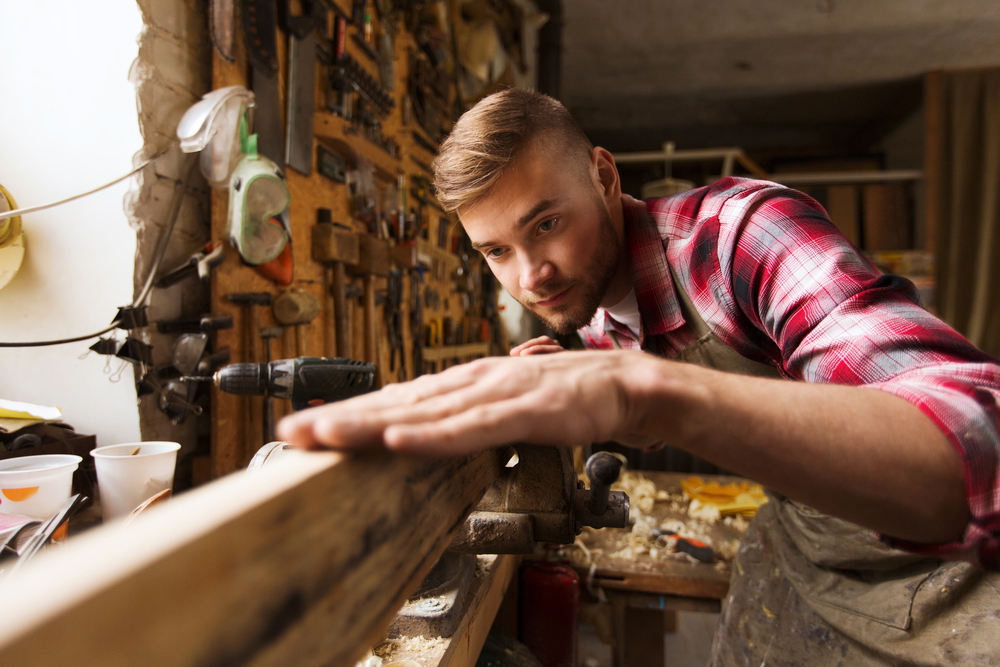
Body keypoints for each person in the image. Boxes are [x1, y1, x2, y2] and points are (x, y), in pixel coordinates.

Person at [278, 89, 1000, 664]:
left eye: (547, 223)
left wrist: (642, 393)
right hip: (812, 550)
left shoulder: (741, 236)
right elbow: (650, 403)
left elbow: (976, 433)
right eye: (496, 251)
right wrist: (593, 393)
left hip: (955, 574)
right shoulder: (590, 314)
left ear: (603, 174)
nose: (531, 275)